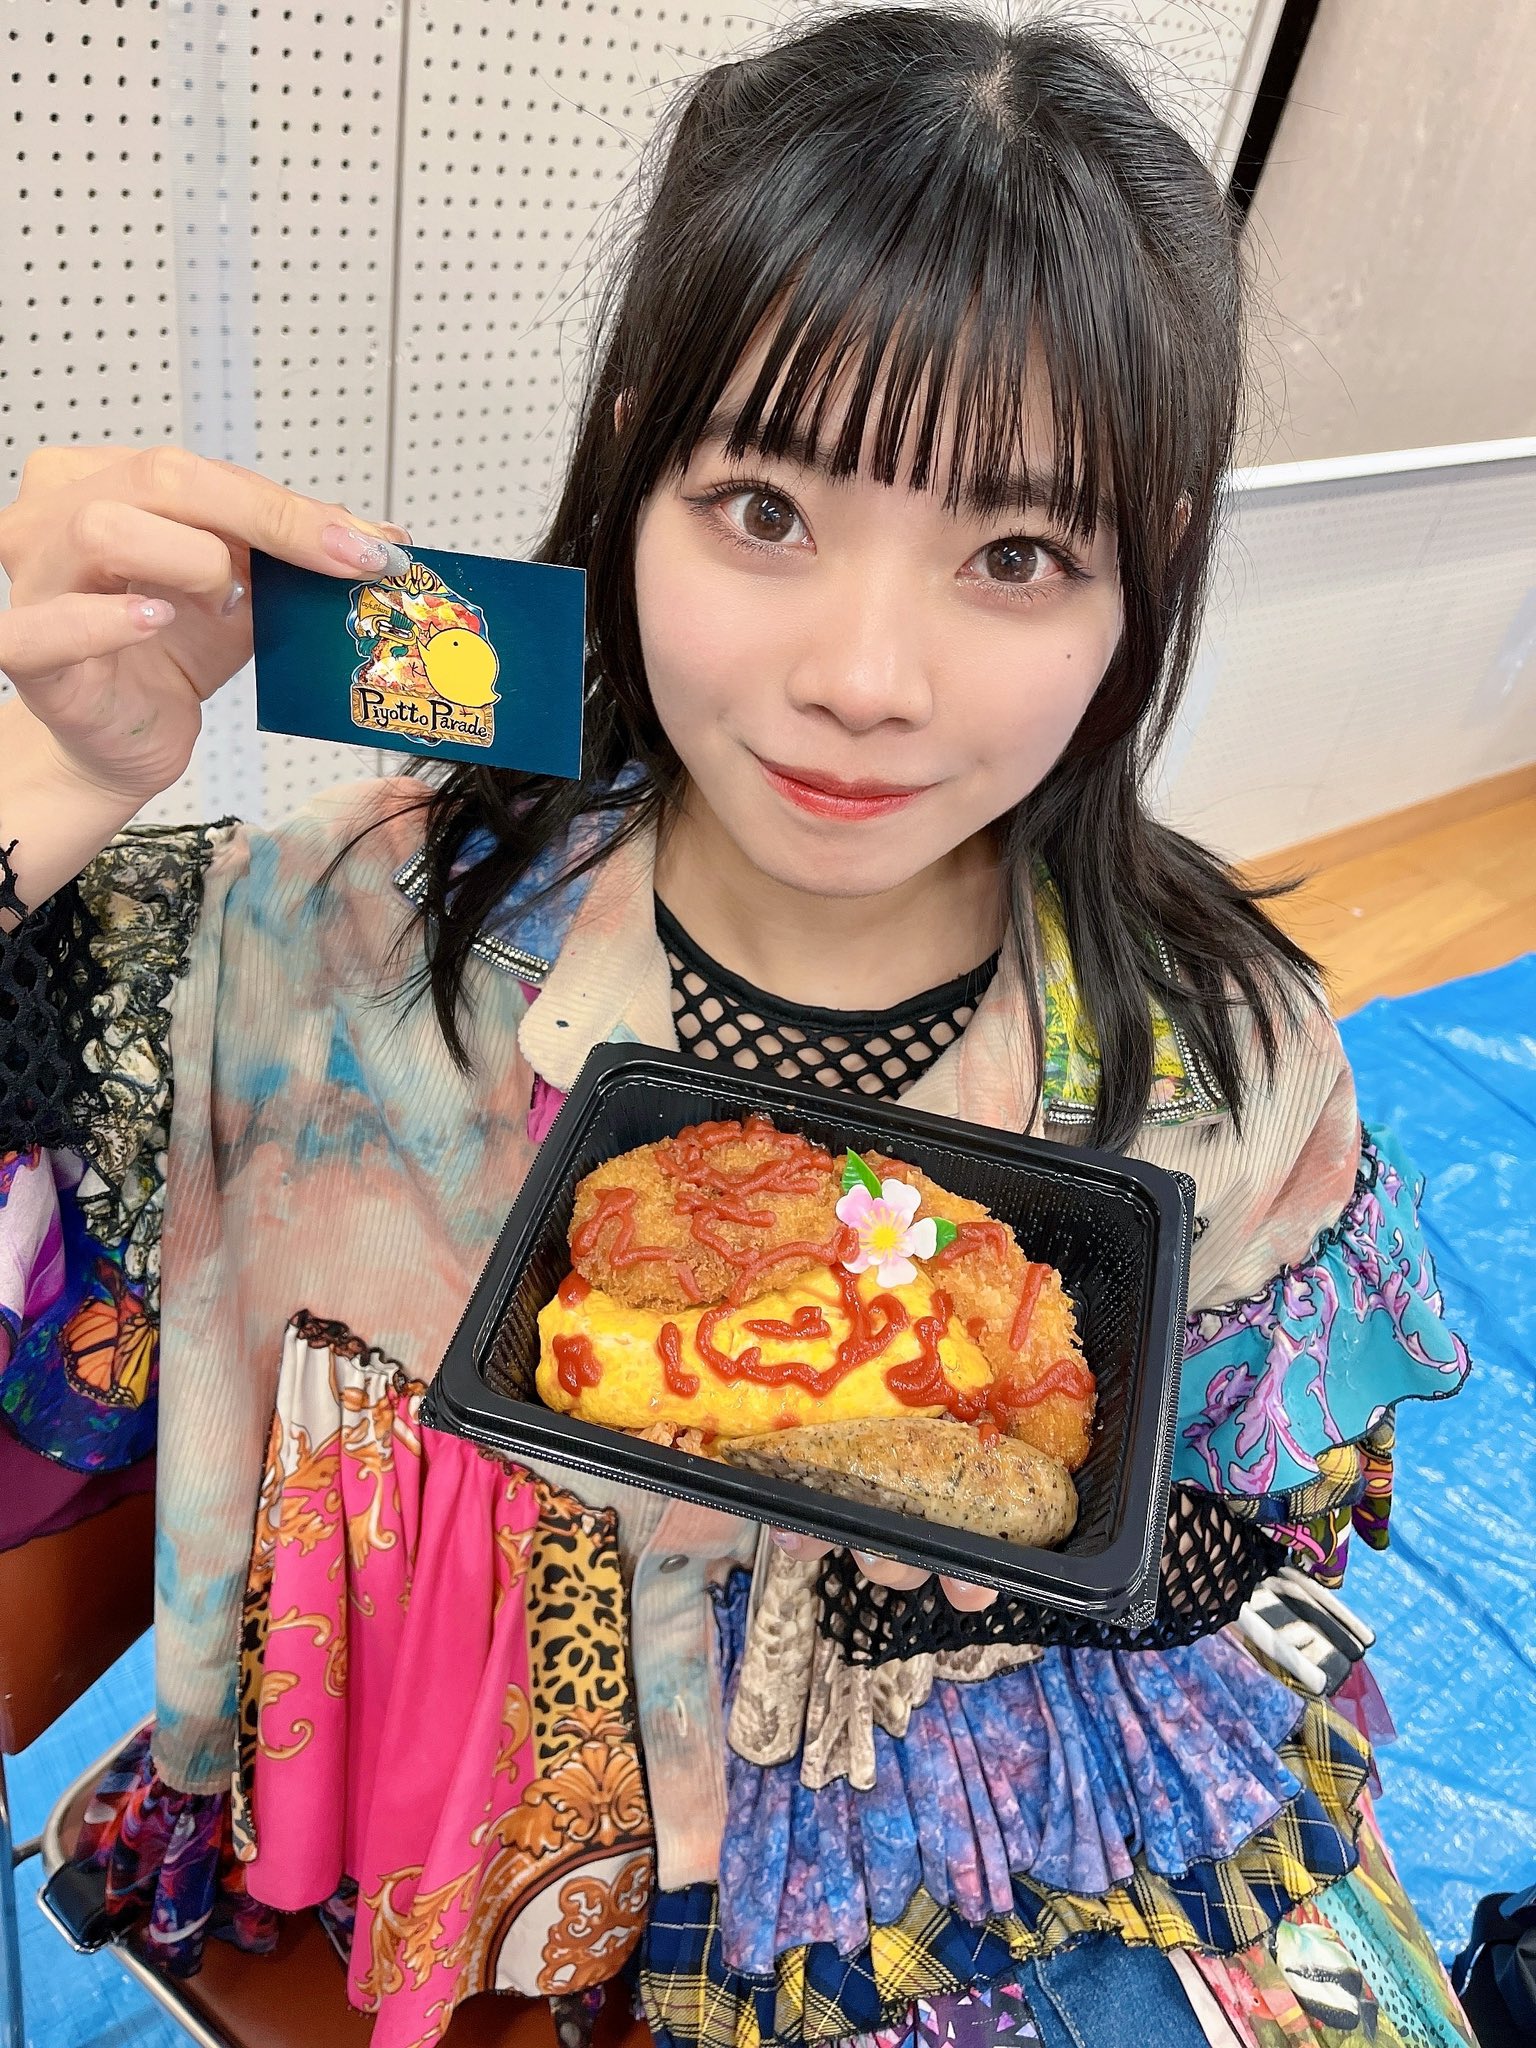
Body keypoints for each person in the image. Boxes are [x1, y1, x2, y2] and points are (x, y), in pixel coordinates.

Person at [0, 9, 1475, 2047]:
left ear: (1143, 578)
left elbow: (1260, 1526)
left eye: (1017, 551)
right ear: (640, 470)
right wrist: (44, 792)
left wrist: (1038, 1561)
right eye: (767, 508)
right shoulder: (343, 934)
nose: (863, 676)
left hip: (923, 1884)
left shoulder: (1217, 1063)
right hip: (453, 1852)